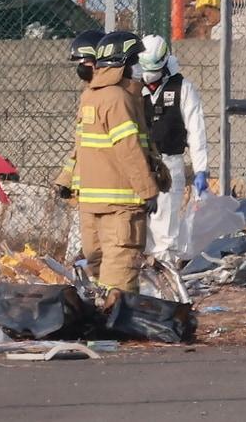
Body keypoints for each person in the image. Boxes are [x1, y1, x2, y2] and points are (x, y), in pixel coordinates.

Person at [62, 30, 159, 297]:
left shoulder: (91, 96)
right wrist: (148, 190)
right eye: (135, 61)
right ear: (123, 64)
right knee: (120, 275)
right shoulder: (117, 99)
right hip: (121, 205)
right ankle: (116, 326)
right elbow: (129, 150)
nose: (138, 67)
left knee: (100, 272)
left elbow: (81, 148)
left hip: (95, 203)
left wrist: (65, 180)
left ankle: (103, 322)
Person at [136, 35, 210, 264]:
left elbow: (196, 130)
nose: (148, 75)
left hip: (170, 161)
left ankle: (164, 273)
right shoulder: (133, 87)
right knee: (140, 226)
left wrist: (201, 170)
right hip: (139, 164)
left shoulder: (182, 88)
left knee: (165, 226)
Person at [53, 29, 105, 196]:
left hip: (103, 185)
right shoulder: (88, 95)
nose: (81, 68)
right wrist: (66, 179)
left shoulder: (110, 97)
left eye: (85, 62)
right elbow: (80, 146)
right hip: (86, 188)